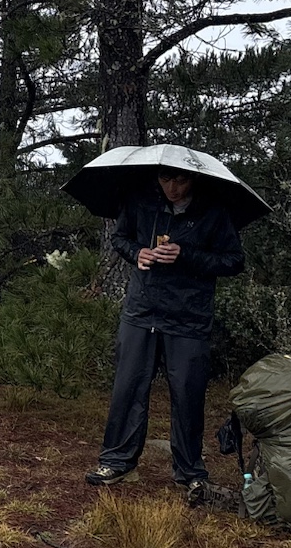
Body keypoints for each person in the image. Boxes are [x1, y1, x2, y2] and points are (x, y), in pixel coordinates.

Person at [86, 166, 245, 504]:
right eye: (166, 179)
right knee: (128, 388)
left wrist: (185, 256)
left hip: (189, 317)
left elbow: (233, 261)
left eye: (181, 180)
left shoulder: (213, 211)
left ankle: (190, 472)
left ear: (195, 180)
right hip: (141, 311)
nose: (173, 188)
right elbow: (121, 238)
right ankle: (117, 462)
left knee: (188, 395)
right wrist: (138, 253)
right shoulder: (141, 201)